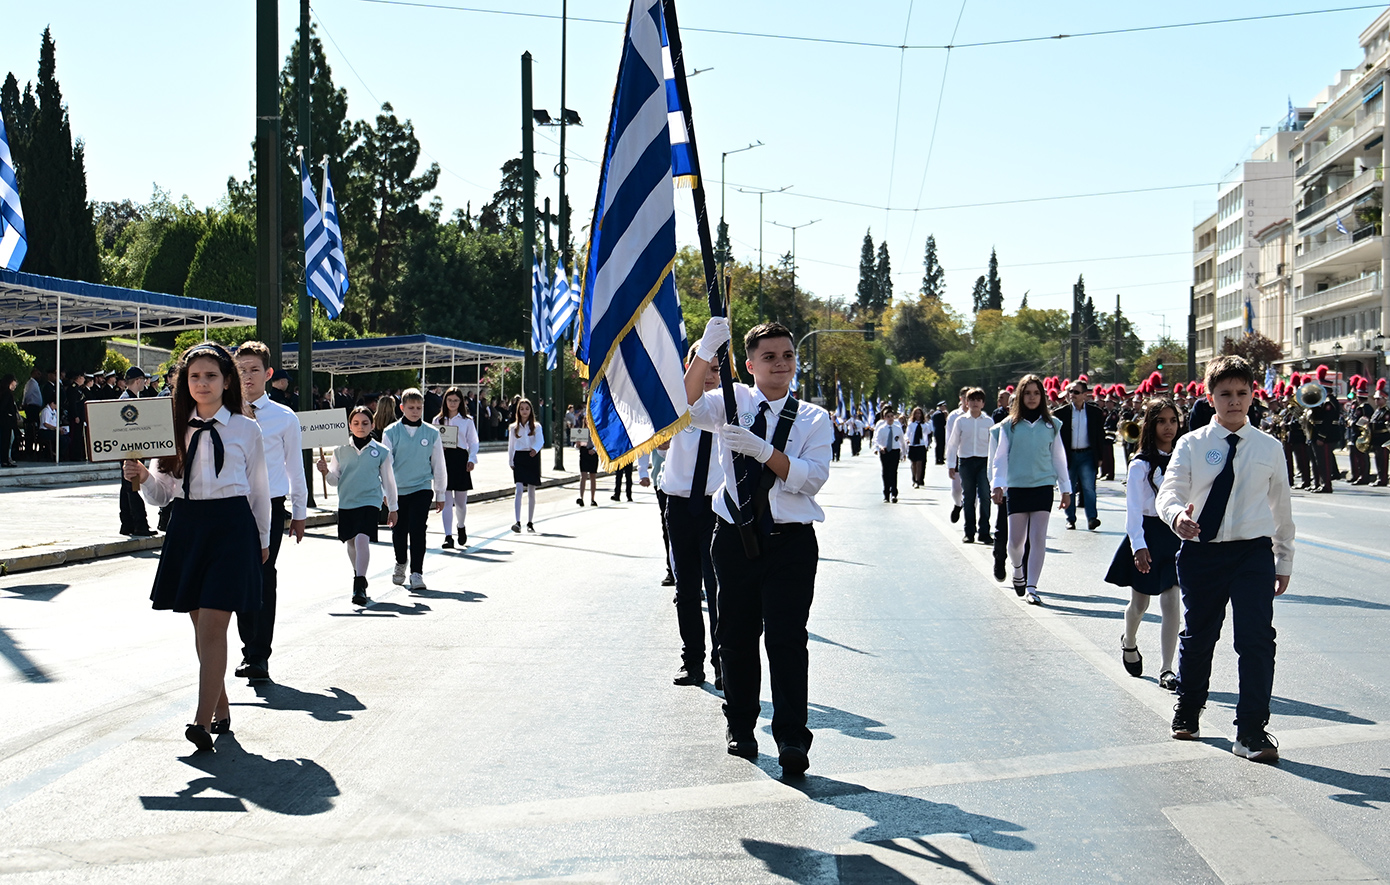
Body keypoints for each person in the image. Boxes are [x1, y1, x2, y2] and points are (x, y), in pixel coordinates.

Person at [684, 317, 833, 777]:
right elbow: (684, 404)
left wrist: (763, 451)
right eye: (769, 357)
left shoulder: (813, 418)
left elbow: (811, 478)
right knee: (736, 636)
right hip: (735, 537)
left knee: (787, 640)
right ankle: (741, 725)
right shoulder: (732, 400)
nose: (781, 364)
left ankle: (792, 737)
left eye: (787, 355)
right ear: (749, 365)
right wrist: (705, 351)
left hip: (791, 542)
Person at [122, 343, 270, 753]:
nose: (202, 383)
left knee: (213, 626)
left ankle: (201, 722)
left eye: (211, 376)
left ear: (227, 381)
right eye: (194, 377)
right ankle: (221, 707)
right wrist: (141, 477)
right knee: (201, 627)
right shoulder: (171, 428)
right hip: (188, 526)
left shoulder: (247, 429)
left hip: (232, 527)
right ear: (184, 383)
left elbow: (259, 489)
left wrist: (262, 539)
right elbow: (162, 495)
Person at [1156, 355, 1294, 764]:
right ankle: (1189, 708)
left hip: (1253, 553)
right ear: (1210, 397)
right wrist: (1177, 517)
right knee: (1199, 636)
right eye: (1225, 394)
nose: (1234, 401)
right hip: (1202, 551)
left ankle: (1251, 730)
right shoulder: (1192, 444)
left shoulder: (1269, 447)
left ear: (1252, 395)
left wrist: (1283, 560)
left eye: (1241, 393)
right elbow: (1170, 491)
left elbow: (1282, 508)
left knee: (1256, 640)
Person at [232, 342, 308, 682]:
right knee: (238, 577)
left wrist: (300, 512)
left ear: (268, 374)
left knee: (263, 575)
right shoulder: (224, 413)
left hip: (271, 506)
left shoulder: (284, 417)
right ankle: (248, 647)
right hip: (233, 504)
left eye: (254, 370)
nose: (247, 377)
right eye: (241, 370)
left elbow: (295, 467)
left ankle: (259, 655)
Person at [1104, 397, 1183, 692]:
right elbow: (1134, 510)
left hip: (1174, 533)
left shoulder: (1184, 459)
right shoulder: (1140, 464)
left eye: (1173, 421)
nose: (1168, 427)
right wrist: (1138, 545)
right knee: (1140, 604)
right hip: (1147, 534)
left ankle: (1167, 668)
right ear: (1150, 425)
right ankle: (1129, 641)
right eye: (1161, 421)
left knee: (1171, 601)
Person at [664, 346, 724, 688]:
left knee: (718, 589)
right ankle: (692, 661)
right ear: (690, 367)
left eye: (717, 368)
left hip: (716, 508)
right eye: (705, 368)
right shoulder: (674, 402)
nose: (711, 375)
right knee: (686, 589)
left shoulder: (731, 405)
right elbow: (657, 443)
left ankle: (722, 661)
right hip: (680, 506)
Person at [991, 374, 1072, 606]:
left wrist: (1065, 489)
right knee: (1016, 542)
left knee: (1038, 539)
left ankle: (1032, 587)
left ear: (1042, 396)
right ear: (1020, 396)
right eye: (1027, 393)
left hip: (1043, 487)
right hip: (1017, 487)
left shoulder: (1052, 425)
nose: (1032, 397)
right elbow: (1000, 458)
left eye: (1036, 393)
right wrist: (997, 485)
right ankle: (1017, 569)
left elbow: (1059, 458)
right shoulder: (1009, 426)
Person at [318, 407, 399, 607]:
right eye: (356, 423)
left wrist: (393, 507)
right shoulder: (340, 450)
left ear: (372, 425)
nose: (360, 427)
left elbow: (389, 481)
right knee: (352, 542)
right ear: (349, 425)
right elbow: (334, 480)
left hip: (370, 501)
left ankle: (359, 584)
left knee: (363, 538)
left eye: (365, 423)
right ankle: (358, 573)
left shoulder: (381, 451)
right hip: (347, 502)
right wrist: (325, 472)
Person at [383, 389, 446, 591]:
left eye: (419, 408)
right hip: (398, 489)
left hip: (421, 487)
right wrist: (386, 492)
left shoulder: (432, 433)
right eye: (411, 407)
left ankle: (417, 573)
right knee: (399, 530)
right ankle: (401, 562)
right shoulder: (390, 432)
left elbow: (438, 464)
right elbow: (385, 465)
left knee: (418, 529)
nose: (415, 411)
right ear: (402, 408)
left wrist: (440, 492)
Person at [1056, 380, 1105, 531]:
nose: (1072, 395)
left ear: (1085, 395)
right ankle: (1070, 519)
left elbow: (1100, 436)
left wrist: (1100, 457)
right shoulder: (1060, 413)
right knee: (1068, 487)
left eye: (1076, 392)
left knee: (1089, 488)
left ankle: (1092, 518)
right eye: (1070, 392)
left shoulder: (1095, 412)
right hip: (1069, 455)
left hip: (1087, 455)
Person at [434, 386, 479, 550]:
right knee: (446, 501)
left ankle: (461, 525)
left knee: (460, 503)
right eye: (449, 400)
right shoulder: (437, 420)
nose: (452, 403)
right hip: (444, 460)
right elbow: (432, 441)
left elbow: (473, 441)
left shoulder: (467, 421)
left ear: (461, 402)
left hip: (460, 460)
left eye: (456, 400)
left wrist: (472, 459)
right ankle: (448, 536)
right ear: (444, 401)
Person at [114, 368, 158, 537]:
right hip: (129, 452)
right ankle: (140, 524)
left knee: (127, 487)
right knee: (132, 487)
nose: (145, 383)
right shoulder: (127, 401)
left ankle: (127, 524)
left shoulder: (129, 398)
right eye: (143, 380)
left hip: (131, 451)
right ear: (138, 381)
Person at [948, 388, 993, 545]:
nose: (975, 403)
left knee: (985, 496)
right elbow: (953, 444)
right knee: (968, 497)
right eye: (972, 400)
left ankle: (984, 532)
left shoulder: (988, 422)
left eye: (978, 400)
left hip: (984, 462)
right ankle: (969, 532)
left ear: (983, 403)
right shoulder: (961, 421)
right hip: (966, 462)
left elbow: (993, 445)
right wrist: (951, 464)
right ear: (966, 402)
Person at [508, 397, 544, 533]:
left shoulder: (536, 426)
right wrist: (511, 460)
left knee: (531, 491)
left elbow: (540, 440)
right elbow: (511, 445)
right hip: (519, 457)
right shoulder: (513, 428)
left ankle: (530, 521)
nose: (524, 411)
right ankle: (517, 521)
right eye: (522, 409)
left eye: (527, 409)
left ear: (531, 411)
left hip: (531, 457)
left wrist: (535, 449)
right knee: (518, 490)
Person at [945, 389, 968, 523]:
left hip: (973, 456)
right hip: (958, 455)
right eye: (965, 398)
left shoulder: (980, 416)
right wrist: (950, 462)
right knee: (956, 490)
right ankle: (958, 504)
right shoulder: (954, 416)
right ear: (961, 399)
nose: (967, 401)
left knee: (972, 492)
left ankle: (970, 520)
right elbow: (950, 441)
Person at [874, 405, 904, 503]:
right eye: (888, 417)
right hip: (885, 451)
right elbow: (877, 440)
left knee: (893, 472)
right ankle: (886, 494)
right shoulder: (881, 429)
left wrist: (903, 453)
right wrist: (880, 447)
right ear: (884, 418)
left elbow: (902, 441)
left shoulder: (897, 428)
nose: (890, 418)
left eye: (892, 416)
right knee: (886, 472)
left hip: (895, 451)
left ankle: (894, 493)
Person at [574, 408, 600, 506]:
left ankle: (592, 498)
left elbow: (599, 444)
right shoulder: (581, 431)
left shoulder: (596, 431)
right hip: (584, 453)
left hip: (593, 454)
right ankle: (581, 497)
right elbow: (577, 446)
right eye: (586, 419)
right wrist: (577, 444)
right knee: (583, 476)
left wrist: (594, 450)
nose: (587, 421)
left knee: (593, 476)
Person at [906, 407, 929, 488]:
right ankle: (914, 478)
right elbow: (907, 434)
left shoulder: (924, 425)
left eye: (919, 413)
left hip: (921, 445)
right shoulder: (911, 424)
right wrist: (907, 440)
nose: (918, 415)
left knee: (920, 463)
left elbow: (927, 435)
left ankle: (918, 480)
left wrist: (926, 445)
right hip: (913, 445)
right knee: (913, 463)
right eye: (916, 413)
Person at [0, 374, 18, 467]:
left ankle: (5, 459)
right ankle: (5, 460)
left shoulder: (4, 392)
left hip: (5, 421)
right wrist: (10, 415)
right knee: (6, 441)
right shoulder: (7, 394)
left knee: (6, 440)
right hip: (6, 421)